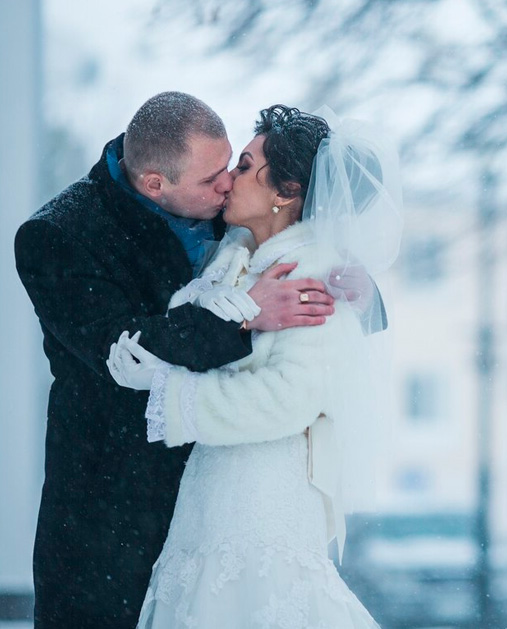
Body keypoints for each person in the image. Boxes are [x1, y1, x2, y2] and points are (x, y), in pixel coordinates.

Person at [13, 92, 337, 628]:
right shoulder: (57, 237)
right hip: (109, 506)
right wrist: (244, 316)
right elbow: (122, 347)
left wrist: (357, 283)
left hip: (223, 497)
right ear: (155, 184)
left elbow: (307, 238)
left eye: (233, 164)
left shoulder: (228, 212)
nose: (228, 183)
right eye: (213, 179)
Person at [107, 104, 401, 627]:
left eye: (243, 166)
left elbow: (288, 399)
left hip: (262, 501)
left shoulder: (312, 275)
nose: (228, 181)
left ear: (285, 193)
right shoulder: (237, 259)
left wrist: (170, 394)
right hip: (215, 493)